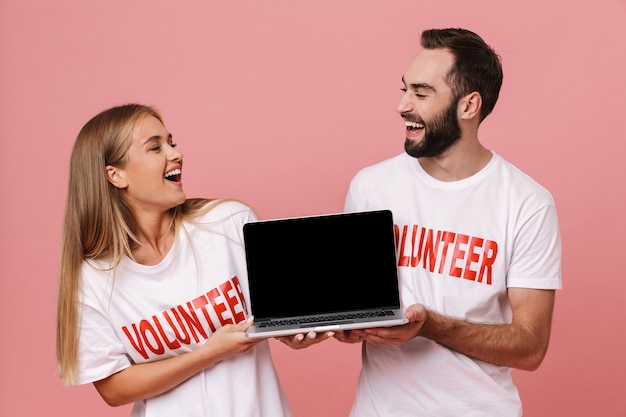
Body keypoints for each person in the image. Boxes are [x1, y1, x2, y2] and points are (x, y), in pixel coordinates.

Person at [335, 28, 562, 416]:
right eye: (405, 89)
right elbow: (351, 313)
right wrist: (333, 323)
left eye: (421, 94)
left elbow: (530, 347)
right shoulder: (371, 186)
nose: (403, 106)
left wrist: (431, 326)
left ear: (469, 105)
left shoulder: (527, 203)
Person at [56, 104, 300, 417]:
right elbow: (114, 389)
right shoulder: (92, 278)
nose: (175, 154)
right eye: (155, 147)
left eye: (171, 142)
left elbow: (278, 317)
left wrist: (296, 333)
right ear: (115, 175)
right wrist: (208, 353)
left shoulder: (229, 223)